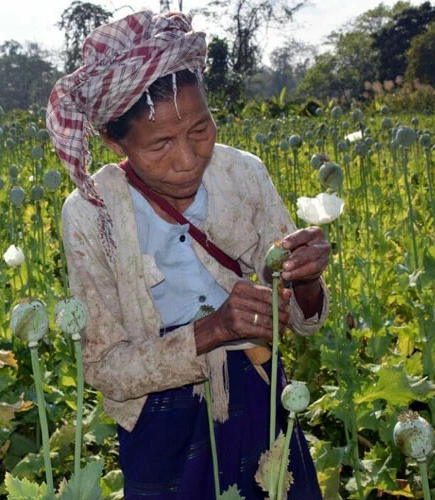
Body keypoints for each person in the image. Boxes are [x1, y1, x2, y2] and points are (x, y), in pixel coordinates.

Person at [47, 10, 330, 500]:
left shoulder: (243, 175)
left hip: (261, 392)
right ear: (115, 140)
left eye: (200, 130)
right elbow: (105, 367)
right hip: (161, 421)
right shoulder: (93, 214)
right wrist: (213, 330)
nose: (188, 158)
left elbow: (303, 323)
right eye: (160, 145)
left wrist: (305, 280)